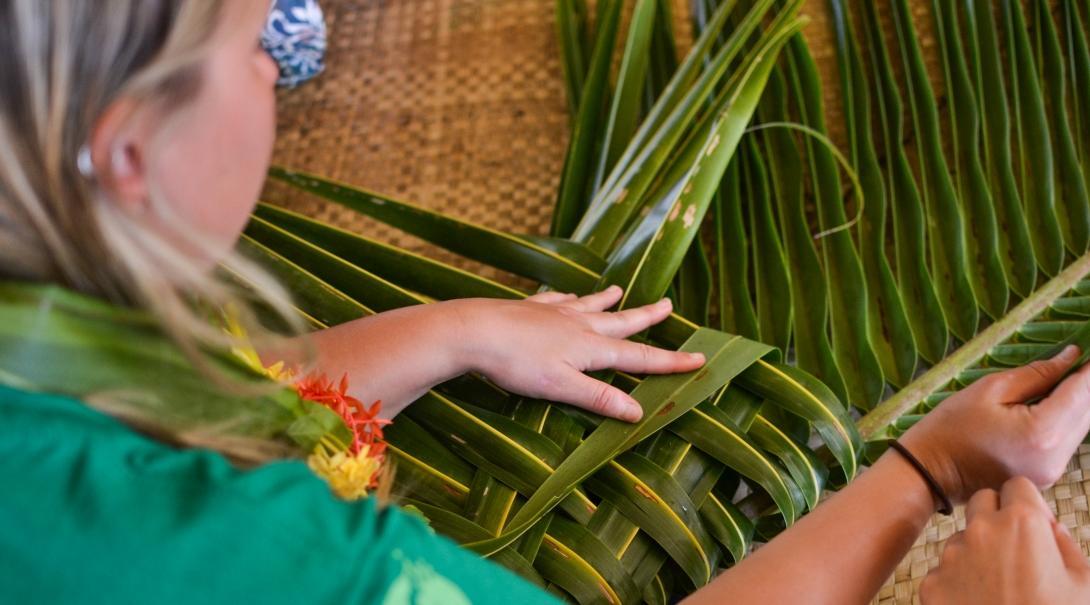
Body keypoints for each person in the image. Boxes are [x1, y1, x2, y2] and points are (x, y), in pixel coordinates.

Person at [0, 1, 1087, 603]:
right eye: (250, 45)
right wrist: (921, 472)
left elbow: (171, 398)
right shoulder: (295, 564)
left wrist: (449, 326)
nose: (276, 65)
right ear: (126, 150)